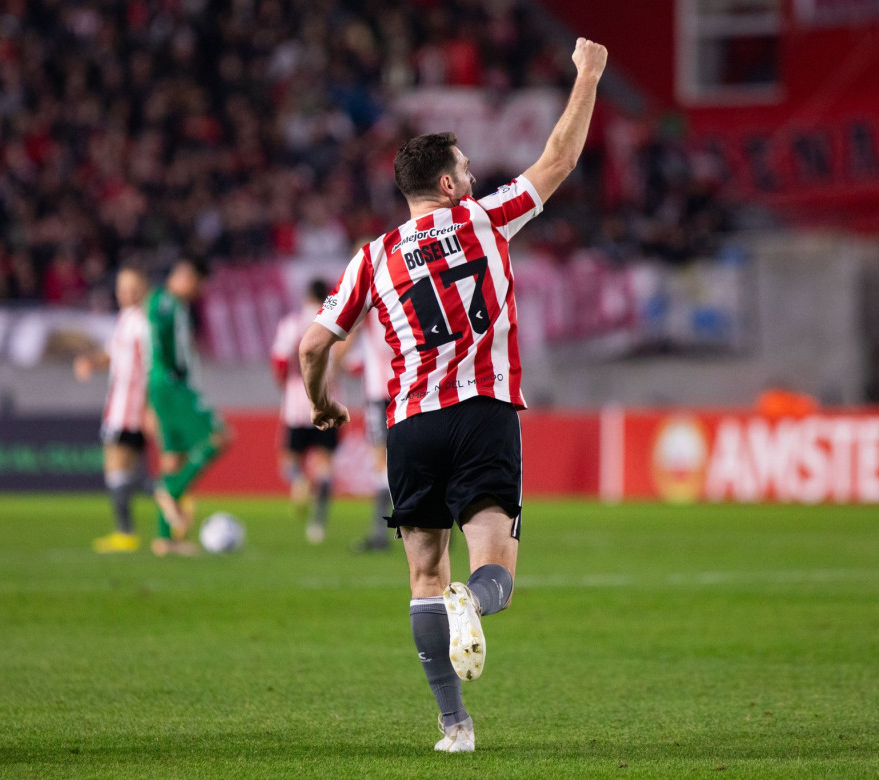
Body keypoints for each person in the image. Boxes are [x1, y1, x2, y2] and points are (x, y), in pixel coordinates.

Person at [299, 39, 607, 752]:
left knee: (422, 575)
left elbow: (315, 346)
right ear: (446, 187)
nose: (472, 178)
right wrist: (587, 75)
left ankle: (454, 727)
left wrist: (321, 401)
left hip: (409, 424)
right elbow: (558, 158)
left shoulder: (372, 257)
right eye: (464, 169)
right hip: (485, 413)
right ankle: (478, 599)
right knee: (491, 566)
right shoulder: (487, 220)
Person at [147, 258, 231, 556]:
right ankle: (168, 490)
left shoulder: (175, 305)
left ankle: (165, 538)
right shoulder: (165, 302)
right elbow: (155, 343)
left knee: (174, 459)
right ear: (184, 275)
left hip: (165, 387)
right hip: (171, 386)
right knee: (219, 437)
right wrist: (169, 386)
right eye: (198, 281)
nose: (201, 289)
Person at [74, 267, 152, 553]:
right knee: (126, 471)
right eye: (122, 287)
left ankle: (130, 529)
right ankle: (168, 500)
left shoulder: (144, 323)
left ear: (144, 288)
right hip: (119, 405)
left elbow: (150, 367)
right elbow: (113, 354)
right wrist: (91, 363)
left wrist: (148, 406)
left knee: (118, 470)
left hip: (130, 408)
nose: (126, 293)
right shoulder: (127, 319)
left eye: (132, 286)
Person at [271, 280, 338, 544]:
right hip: (327, 400)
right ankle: (318, 524)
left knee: (289, 461)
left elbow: (280, 360)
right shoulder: (334, 323)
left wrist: (286, 384)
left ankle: (299, 481)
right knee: (324, 466)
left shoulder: (292, 323)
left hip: (297, 401)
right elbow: (352, 363)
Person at [337, 314, 394, 552]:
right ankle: (439, 523)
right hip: (413, 390)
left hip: (381, 393)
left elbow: (344, 358)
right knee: (416, 459)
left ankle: (379, 535)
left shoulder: (369, 312)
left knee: (381, 462)